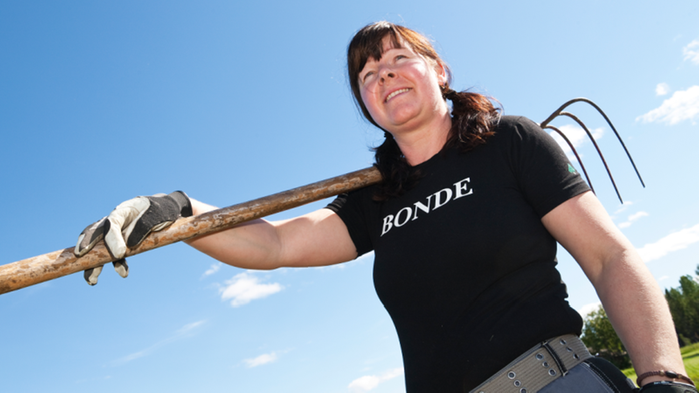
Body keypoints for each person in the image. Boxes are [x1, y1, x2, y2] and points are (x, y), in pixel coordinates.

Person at [74, 22, 696, 393]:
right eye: (368, 73)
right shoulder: (376, 198)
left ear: (439, 72)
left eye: (401, 58)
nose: (384, 74)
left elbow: (609, 256)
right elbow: (276, 245)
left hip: (556, 384)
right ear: (365, 102)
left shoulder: (511, 142)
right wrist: (180, 210)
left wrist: (664, 377)